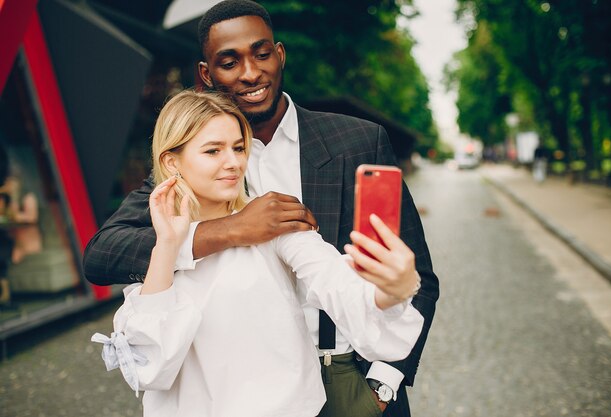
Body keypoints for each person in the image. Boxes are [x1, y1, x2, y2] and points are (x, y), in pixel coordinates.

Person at [83, 1, 439, 416]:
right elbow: (102, 254)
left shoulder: (356, 141)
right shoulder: (181, 185)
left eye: (261, 53)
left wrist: (384, 380)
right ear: (206, 74)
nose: (251, 72)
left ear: (279, 54)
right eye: (230, 61)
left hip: (346, 375)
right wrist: (231, 229)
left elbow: (407, 279)